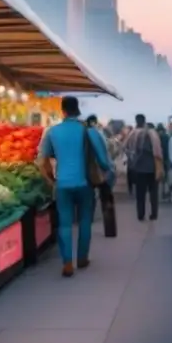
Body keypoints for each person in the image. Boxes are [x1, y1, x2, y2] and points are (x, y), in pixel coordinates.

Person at [38, 97, 112, 277]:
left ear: (63, 111)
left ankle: (67, 263)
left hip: (62, 184)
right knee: (85, 220)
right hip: (85, 184)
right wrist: (105, 175)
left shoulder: (52, 131)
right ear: (77, 110)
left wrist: (51, 179)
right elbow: (104, 161)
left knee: (64, 224)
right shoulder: (89, 131)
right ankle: (82, 258)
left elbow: (42, 160)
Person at [123, 113, 163, 221]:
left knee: (140, 194)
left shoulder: (132, 134)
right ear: (144, 121)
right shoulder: (152, 134)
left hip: (138, 168)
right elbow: (158, 152)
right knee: (153, 193)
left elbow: (125, 148)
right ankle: (154, 214)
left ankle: (141, 214)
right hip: (152, 168)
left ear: (136, 121)